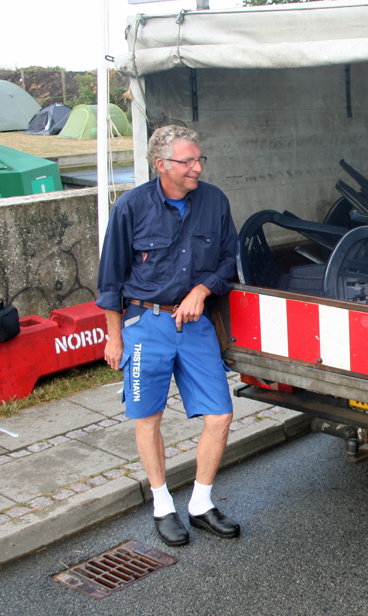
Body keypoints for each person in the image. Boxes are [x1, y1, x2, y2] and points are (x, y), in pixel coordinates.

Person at [97, 125, 240, 547]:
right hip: (146, 326)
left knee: (220, 415)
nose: (197, 167)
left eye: (200, 159)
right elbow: (109, 281)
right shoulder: (131, 207)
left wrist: (202, 288)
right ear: (161, 165)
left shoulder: (214, 201)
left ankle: (200, 503)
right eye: (188, 161)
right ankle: (162, 505)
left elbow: (230, 259)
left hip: (194, 325)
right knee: (148, 418)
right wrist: (115, 338)